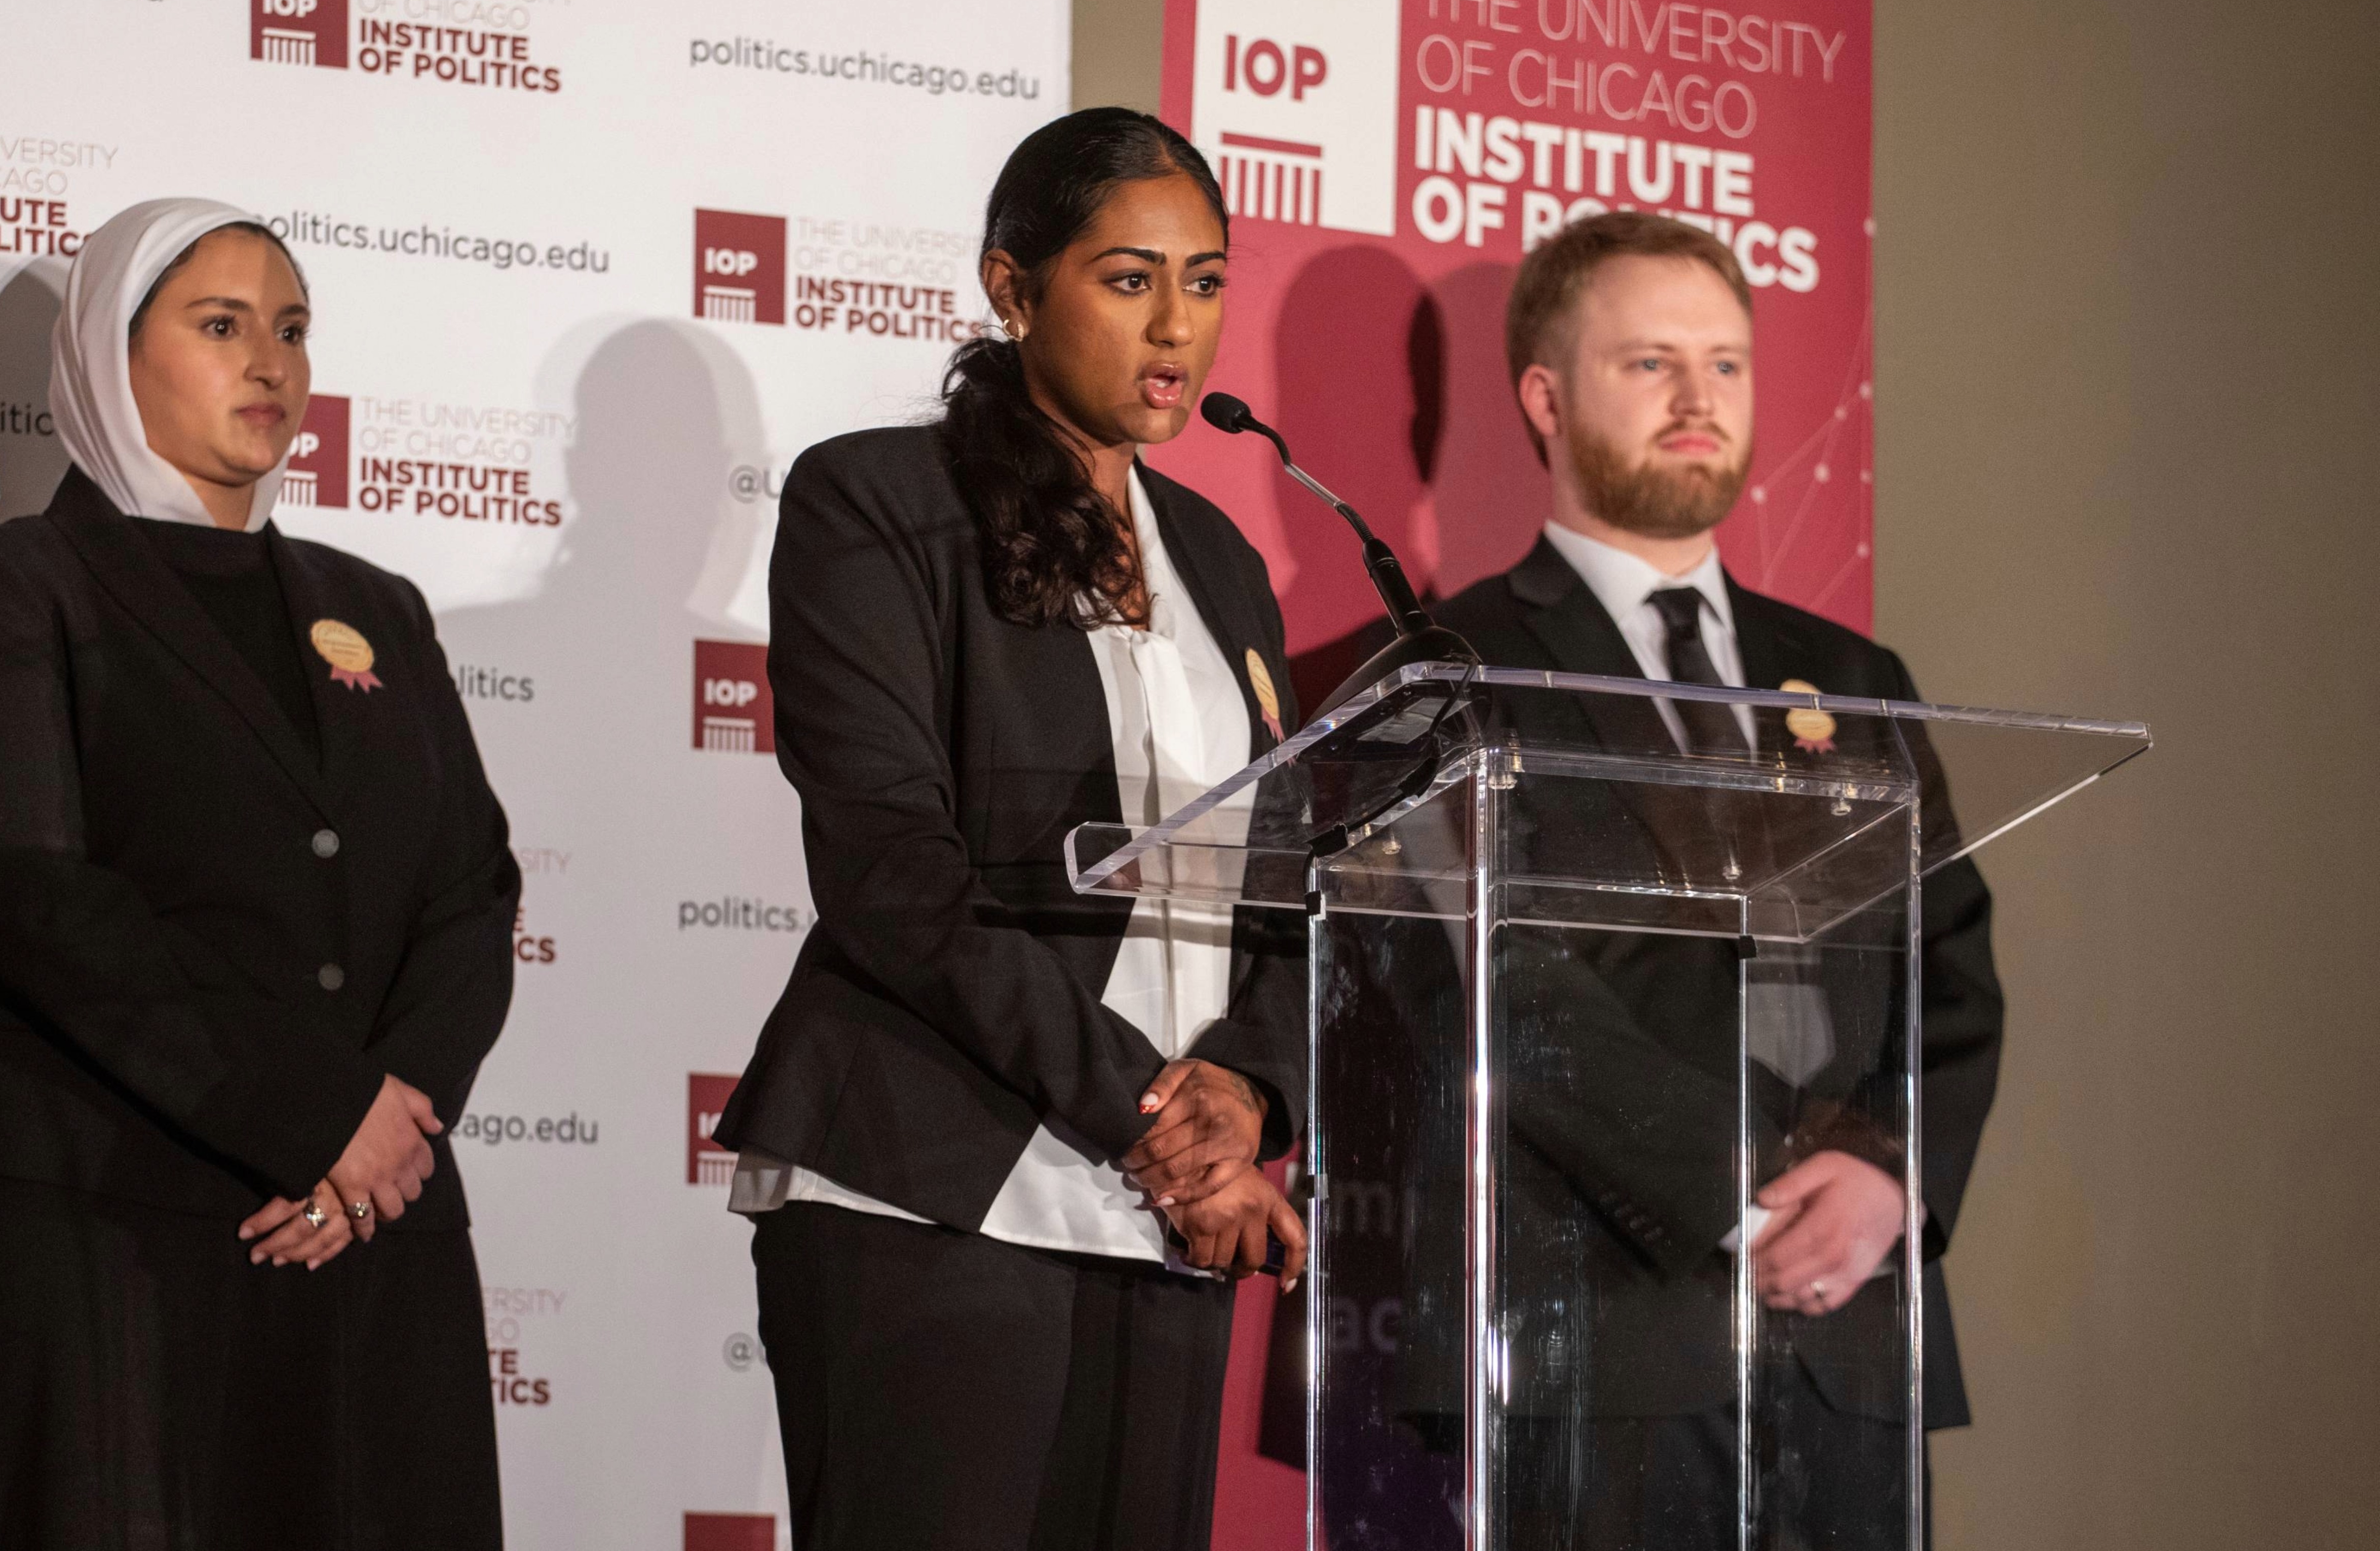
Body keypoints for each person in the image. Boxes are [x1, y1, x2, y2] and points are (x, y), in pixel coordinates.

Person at [0, 199, 519, 1548]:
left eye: (290, 330)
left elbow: (472, 889)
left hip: (362, 1232)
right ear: (111, 351)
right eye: (220, 326)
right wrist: (318, 1113)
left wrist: (384, 1144)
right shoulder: (0, 584)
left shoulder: (376, 602)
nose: (270, 365)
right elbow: (30, 886)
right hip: (99, 1233)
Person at [714, 108, 1311, 1551]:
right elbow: (891, 875)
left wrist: (1250, 1098)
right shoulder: (880, 502)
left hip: (1157, 1214)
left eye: (1208, 280)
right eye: (1128, 278)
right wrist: (1156, 1116)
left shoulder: (1224, 562)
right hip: (937, 1183)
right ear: (1012, 285)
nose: (1178, 325)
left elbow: (1281, 887)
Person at [1380, 210, 2004, 1544]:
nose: (1697, 400)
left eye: (1725, 364)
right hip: (1598, 1337)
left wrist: (1889, 1178)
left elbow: (1945, 962)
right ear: (1545, 397)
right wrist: (1744, 1186)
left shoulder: (1854, 676)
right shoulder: (1453, 667)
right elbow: (1492, 979)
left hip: (1852, 1340)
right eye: (1649, 363)